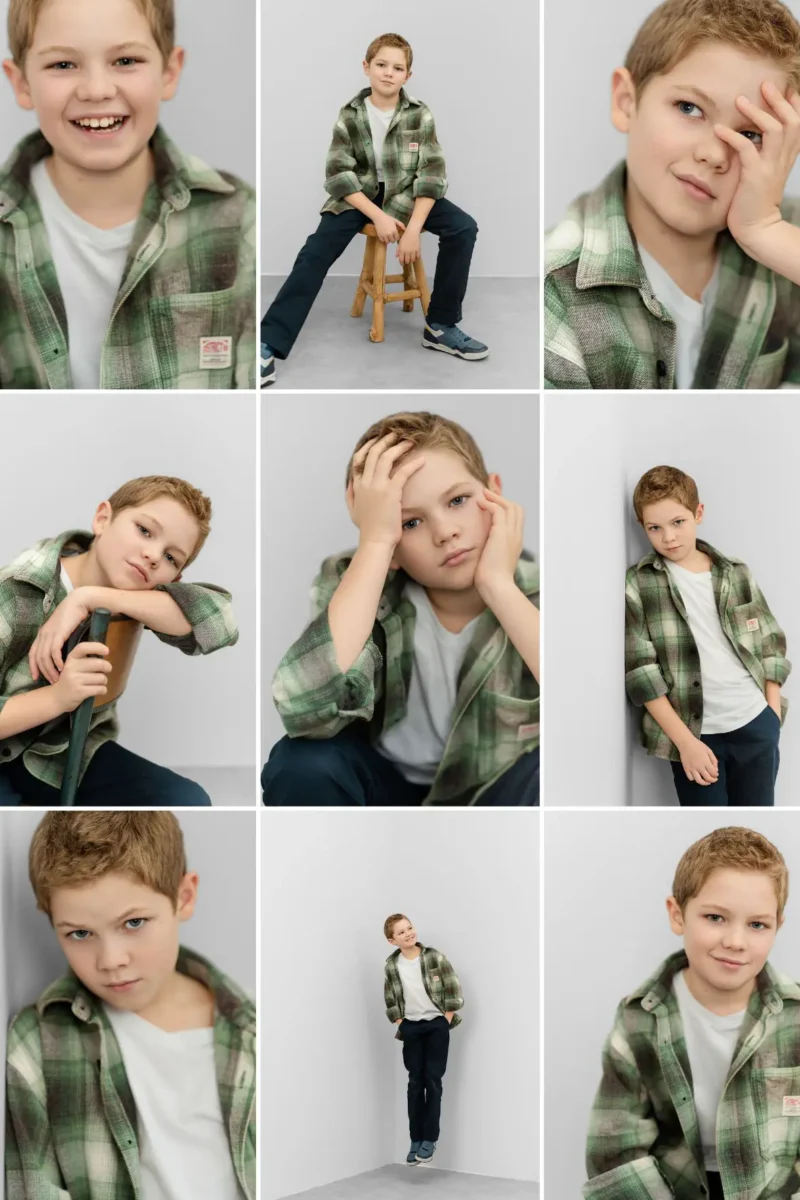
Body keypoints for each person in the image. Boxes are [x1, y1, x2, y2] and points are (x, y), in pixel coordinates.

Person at [262, 411, 539, 806]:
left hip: (493, 790)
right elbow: (303, 711)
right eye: (410, 524)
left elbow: (581, 708)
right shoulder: (357, 583)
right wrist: (374, 545)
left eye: (458, 500)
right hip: (386, 786)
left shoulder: (541, 591)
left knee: (548, 766)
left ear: (495, 494)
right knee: (301, 762)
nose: (445, 533)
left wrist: (498, 586)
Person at [545, 0, 800, 389]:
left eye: (750, 135)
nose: (714, 154)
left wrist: (767, 230)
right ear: (626, 101)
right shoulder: (554, 288)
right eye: (690, 108)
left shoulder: (789, 241)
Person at [0, 0, 255, 389]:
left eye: (125, 61)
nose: (97, 90)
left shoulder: (238, 218)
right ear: (21, 83)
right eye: (63, 65)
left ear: (169, 72)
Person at [5, 810, 255, 1200]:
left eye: (134, 923)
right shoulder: (35, 1045)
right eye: (80, 933)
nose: (110, 960)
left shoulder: (254, 1034)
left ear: (183, 897)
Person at [260, 32, 487, 387]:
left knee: (464, 227)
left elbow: (432, 174)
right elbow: (338, 174)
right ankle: (267, 344)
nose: (388, 73)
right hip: (360, 197)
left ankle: (440, 326)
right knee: (314, 253)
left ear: (407, 76)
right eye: (381, 64)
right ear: (366, 68)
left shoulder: (420, 114)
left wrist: (411, 230)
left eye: (398, 68)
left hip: (409, 194)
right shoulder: (349, 114)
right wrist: (379, 216)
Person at [585, 826, 799, 1200]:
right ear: (678, 914)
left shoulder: (794, 1019)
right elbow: (614, 1147)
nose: (735, 941)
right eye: (715, 918)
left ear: (777, 927)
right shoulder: (640, 1020)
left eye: (757, 925)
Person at [0, 475, 238, 806]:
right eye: (144, 530)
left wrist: (90, 598)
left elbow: (222, 622)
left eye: (172, 558)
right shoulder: (12, 592)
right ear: (103, 519)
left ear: (175, 579)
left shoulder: (135, 594)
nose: (153, 555)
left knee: (188, 799)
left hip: (62, 754)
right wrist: (59, 697)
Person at [625, 465, 789, 806]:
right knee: (705, 824)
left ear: (698, 513)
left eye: (678, 522)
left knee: (753, 826)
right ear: (642, 526)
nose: (668, 537)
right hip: (694, 735)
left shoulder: (736, 573)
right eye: (655, 527)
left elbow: (770, 641)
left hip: (754, 723)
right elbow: (642, 672)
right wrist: (685, 743)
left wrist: (771, 716)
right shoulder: (639, 583)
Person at [383, 913, 463, 1167]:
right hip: (411, 1029)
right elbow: (390, 999)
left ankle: (430, 1139)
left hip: (437, 1026)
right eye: (401, 932)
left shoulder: (434, 957)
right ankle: (415, 1139)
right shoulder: (392, 966)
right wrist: (401, 1024)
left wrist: (445, 1020)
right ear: (392, 940)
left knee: (433, 1080)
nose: (408, 933)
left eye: (410, 927)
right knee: (415, 1083)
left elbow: (453, 989)